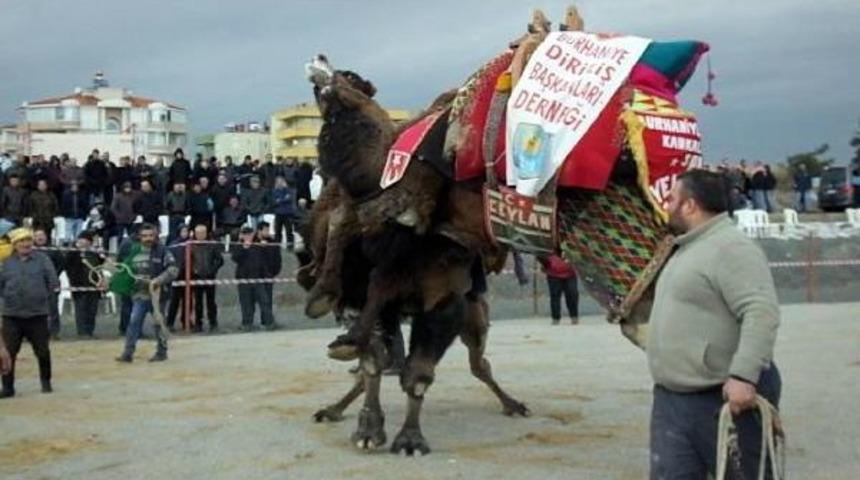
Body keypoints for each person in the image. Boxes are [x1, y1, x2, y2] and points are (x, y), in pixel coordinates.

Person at [647, 169, 781, 479]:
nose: (666, 205)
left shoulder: (730, 247)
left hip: (722, 399)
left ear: (690, 205)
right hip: (672, 400)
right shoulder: (687, 247)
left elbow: (761, 310)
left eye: (672, 199)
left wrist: (744, 375)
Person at [0, 228, 60, 398]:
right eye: (21, 241)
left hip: (37, 315)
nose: (26, 244)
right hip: (12, 315)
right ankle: (7, 387)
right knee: (9, 353)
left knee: (43, 351)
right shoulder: (5, 262)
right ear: (14, 244)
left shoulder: (43, 259)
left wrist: (42, 298)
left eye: (28, 240)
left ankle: (46, 383)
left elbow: (52, 281)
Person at [114, 223, 178, 363]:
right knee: (134, 322)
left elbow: (173, 270)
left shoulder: (163, 251)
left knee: (158, 323)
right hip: (139, 295)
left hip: (158, 296)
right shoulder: (133, 251)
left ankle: (161, 352)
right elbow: (123, 270)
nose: (148, 238)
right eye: (145, 236)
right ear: (139, 237)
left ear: (156, 236)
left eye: (151, 235)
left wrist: (158, 280)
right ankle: (128, 353)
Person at [232, 226, 276, 330]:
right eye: (246, 235)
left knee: (264, 301)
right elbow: (235, 258)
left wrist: (266, 246)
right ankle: (247, 324)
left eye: (250, 234)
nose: (248, 237)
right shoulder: (239, 245)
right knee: (246, 303)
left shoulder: (258, 245)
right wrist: (244, 248)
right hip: (244, 279)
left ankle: (269, 322)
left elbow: (266, 259)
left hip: (258, 278)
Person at [64, 231, 103, 338]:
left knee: (92, 310)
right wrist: (76, 250)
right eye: (80, 240)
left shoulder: (93, 253)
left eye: (85, 240)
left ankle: (90, 331)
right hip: (79, 285)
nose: (82, 242)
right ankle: (82, 332)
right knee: (81, 309)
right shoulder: (73, 252)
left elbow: (99, 266)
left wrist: (101, 255)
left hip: (94, 286)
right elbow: (67, 263)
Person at [190, 224, 223, 333]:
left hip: (210, 277)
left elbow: (220, 260)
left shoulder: (212, 245)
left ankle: (213, 323)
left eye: (202, 233)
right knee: (198, 302)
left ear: (206, 233)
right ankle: (198, 324)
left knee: (211, 302)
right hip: (197, 277)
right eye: (198, 233)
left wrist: (212, 270)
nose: (200, 235)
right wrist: (193, 270)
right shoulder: (191, 245)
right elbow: (188, 260)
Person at [33, 228, 64, 338]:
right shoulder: (30, 250)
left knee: (52, 309)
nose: (40, 238)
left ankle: (53, 332)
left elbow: (61, 264)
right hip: (33, 284)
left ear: (46, 237)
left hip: (51, 283)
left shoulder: (53, 250)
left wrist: (53, 275)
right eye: (37, 235)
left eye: (42, 235)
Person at [539, 254, 579, 325]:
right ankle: (555, 318)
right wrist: (545, 264)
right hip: (553, 274)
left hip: (570, 274)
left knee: (572, 294)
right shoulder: (550, 249)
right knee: (555, 296)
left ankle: (574, 316)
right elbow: (540, 255)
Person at [165, 225, 191, 332]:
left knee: (187, 301)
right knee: (174, 301)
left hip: (189, 274)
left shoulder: (191, 243)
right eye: (183, 231)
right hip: (176, 275)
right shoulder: (174, 244)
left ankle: (186, 321)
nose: (185, 233)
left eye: (187, 231)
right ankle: (170, 322)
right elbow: (170, 259)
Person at [271, 176, 297, 248]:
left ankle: (290, 247)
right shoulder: (274, 191)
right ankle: (277, 247)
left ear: (283, 182)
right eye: (278, 182)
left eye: (281, 181)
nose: (279, 183)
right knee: (277, 231)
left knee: (289, 231)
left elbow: (289, 198)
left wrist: (280, 200)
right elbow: (274, 202)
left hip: (288, 213)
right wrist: (284, 199)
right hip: (278, 213)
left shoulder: (288, 190)